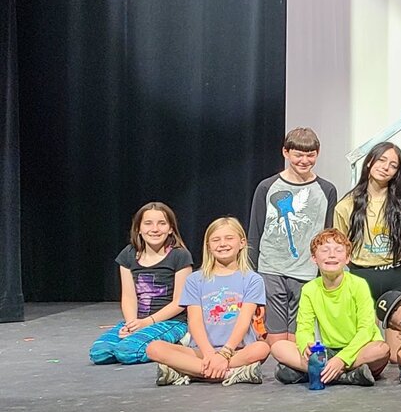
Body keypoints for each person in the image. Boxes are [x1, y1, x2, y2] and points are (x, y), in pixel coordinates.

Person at [147, 217, 268, 386]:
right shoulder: (195, 280)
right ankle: (230, 373)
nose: (222, 244)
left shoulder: (252, 280)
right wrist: (210, 354)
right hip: (202, 352)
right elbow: (194, 320)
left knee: (261, 349)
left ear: (242, 243)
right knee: (154, 348)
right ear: (208, 246)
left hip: (236, 351)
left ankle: (191, 371)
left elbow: (244, 320)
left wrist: (225, 353)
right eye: (216, 240)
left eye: (229, 238)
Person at [248, 128, 338, 345]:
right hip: (271, 271)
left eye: (310, 155)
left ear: (317, 153)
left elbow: (327, 237)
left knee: (300, 339)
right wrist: (252, 275)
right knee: (277, 341)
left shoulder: (326, 190)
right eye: (298, 154)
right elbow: (255, 233)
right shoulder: (267, 187)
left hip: (306, 273)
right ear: (286, 153)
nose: (304, 160)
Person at [269, 229, 388, 386]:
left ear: (347, 258)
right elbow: (304, 328)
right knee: (279, 347)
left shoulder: (359, 285)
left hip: (358, 348)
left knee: (381, 350)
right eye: (325, 250)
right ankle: (344, 375)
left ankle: (317, 372)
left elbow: (366, 330)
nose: (331, 255)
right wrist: (306, 345)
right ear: (314, 258)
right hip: (327, 350)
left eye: (338, 250)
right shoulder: (310, 289)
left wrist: (342, 359)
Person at [90, 202, 192, 365]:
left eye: (162, 223)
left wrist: (146, 323)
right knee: (100, 353)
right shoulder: (128, 255)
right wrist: (131, 325)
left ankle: (174, 346)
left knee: (128, 352)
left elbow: (180, 302)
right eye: (148, 223)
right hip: (138, 321)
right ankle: (142, 340)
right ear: (138, 228)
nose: (155, 229)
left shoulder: (179, 256)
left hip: (170, 322)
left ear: (171, 228)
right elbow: (129, 297)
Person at [334, 143, 401, 305]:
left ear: (397, 172)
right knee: (362, 329)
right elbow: (339, 249)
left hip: (398, 276)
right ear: (369, 161)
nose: (385, 167)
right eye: (381, 160)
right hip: (361, 276)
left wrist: (397, 270)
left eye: (393, 165)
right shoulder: (345, 206)